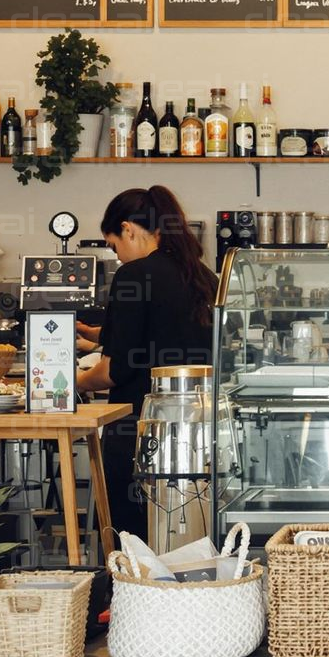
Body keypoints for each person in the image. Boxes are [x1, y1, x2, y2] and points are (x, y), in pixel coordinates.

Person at [75, 186, 217, 542]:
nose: (118, 255)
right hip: (198, 435)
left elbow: (115, 370)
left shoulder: (133, 276)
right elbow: (162, 333)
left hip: (140, 432)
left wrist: (69, 383)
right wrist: (98, 335)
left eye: (114, 244)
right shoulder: (201, 275)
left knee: (134, 544)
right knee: (190, 542)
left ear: (129, 229)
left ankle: (133, 598)